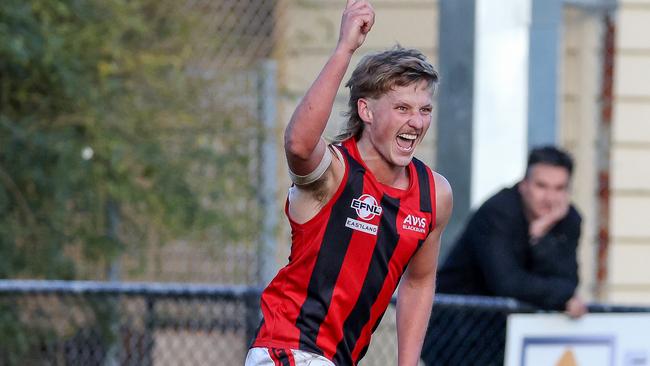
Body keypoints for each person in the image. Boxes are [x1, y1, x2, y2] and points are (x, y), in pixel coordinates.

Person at [245, 1, 452, 365]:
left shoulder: (434, 194)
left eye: (424, 110)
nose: (417, 122)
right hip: (289, 351)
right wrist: (344, 49)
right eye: (402, 108)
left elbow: (418, 283)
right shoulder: (336, 171)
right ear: (366, 111)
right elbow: (298, 143)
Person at [420, 146, 586, 366]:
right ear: (523, 185)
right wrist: (562, 297)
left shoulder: (568, 219)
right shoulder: (497, 212)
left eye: (559, 188)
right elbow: (508, 283)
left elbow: (567, 280)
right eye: (541, 186)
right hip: (456, 331)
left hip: (507, 336)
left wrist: (540, 237)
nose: (550, 198)